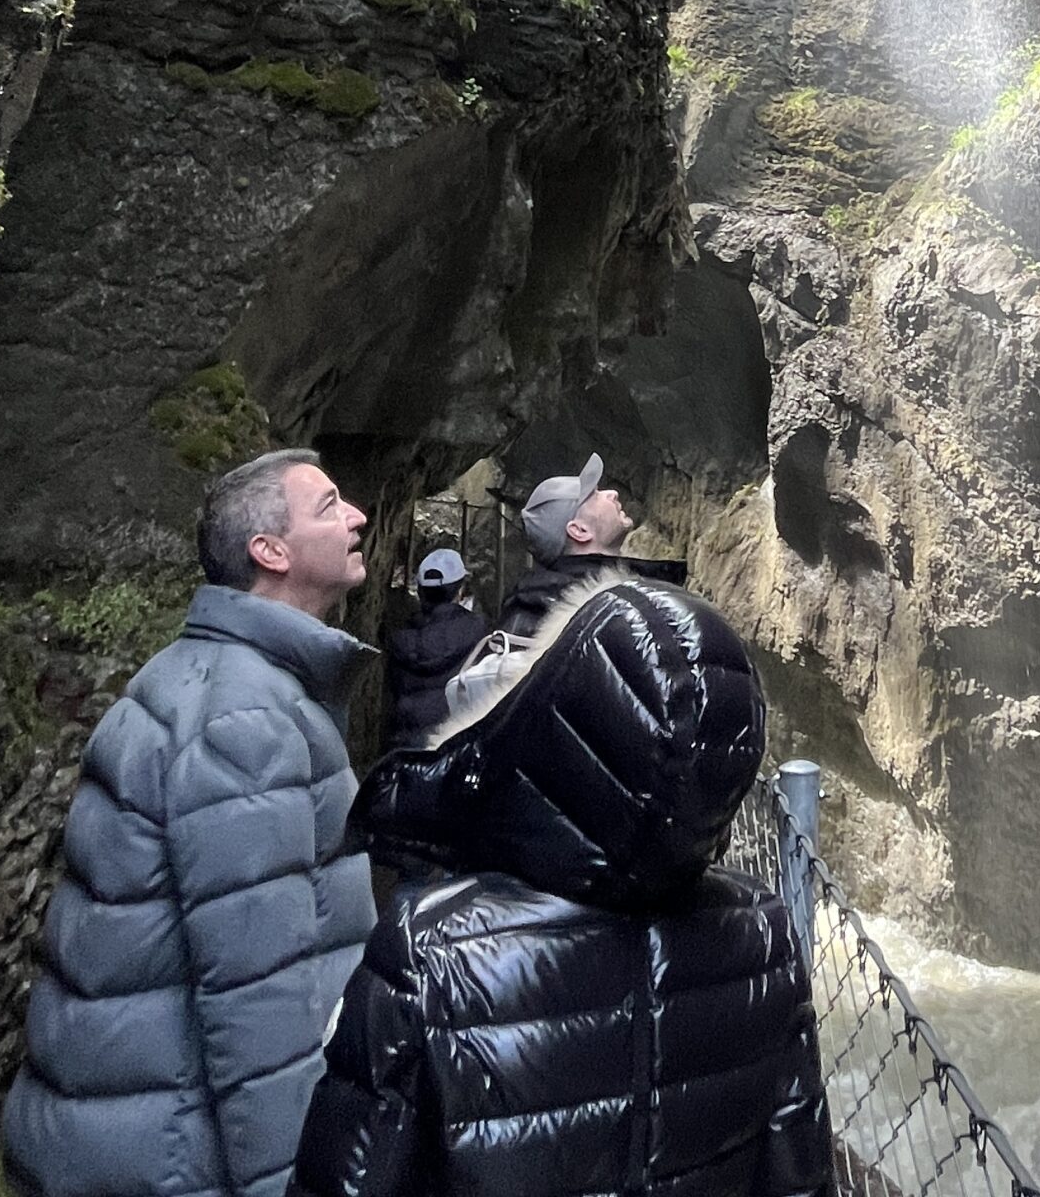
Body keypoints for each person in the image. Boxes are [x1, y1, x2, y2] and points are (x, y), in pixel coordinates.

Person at [287, 577, 834, 1197]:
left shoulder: (430, 950)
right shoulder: (764, 934)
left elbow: (352, 1175)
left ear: (553, 717)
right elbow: (800, 1176)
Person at [4, 449, 378, 1197]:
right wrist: (295, 1183)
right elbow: (259, 997)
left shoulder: (202, 678)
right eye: (329, 504)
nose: (358, 516)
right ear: (269, 551)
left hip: (123, 1134)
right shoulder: (246, 722)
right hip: (176, 1156)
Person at [499, 452, 685, 635]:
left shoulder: (533, 606)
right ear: (579, 530)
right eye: (594, 495)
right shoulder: (603, 610)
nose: (612, 493)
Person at [383, 547, 488, 745]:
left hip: (406, 746)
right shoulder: (477, 629)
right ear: (460, 590)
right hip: (457, 744)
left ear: (421, 592)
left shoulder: (400, 640)